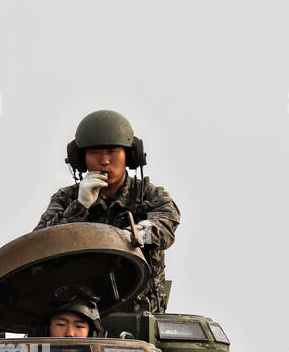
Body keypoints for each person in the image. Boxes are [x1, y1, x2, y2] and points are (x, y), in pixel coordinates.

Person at [34, 110, 179, 313]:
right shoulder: (66, 198)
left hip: (138, 313)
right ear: (80, 159)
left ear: (129, 155)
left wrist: (133, 235)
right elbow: (39, 244)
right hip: (78, 315)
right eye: (95, 153)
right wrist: (79, 207)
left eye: (112, 152)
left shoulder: (149, 195)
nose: (104, 161)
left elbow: (166, 224)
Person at [31, 288, 103, 338]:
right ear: (45, 330)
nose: (69, 334)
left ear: (92, 334)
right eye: (61, 324)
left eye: (79, 326)